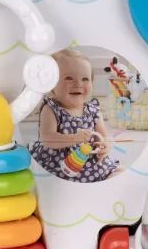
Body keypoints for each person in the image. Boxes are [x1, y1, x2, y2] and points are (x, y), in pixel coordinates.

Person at [29, 49, 120, 181]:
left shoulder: (93, 110)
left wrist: (104, 146)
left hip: (91, 163)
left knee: (118, 172)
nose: (78, 84)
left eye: (85, 79)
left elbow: (103, 136)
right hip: (61, 165)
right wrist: (74, 138)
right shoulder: (51, 109)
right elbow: (47, 139)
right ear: (51, 84)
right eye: (69, 78)